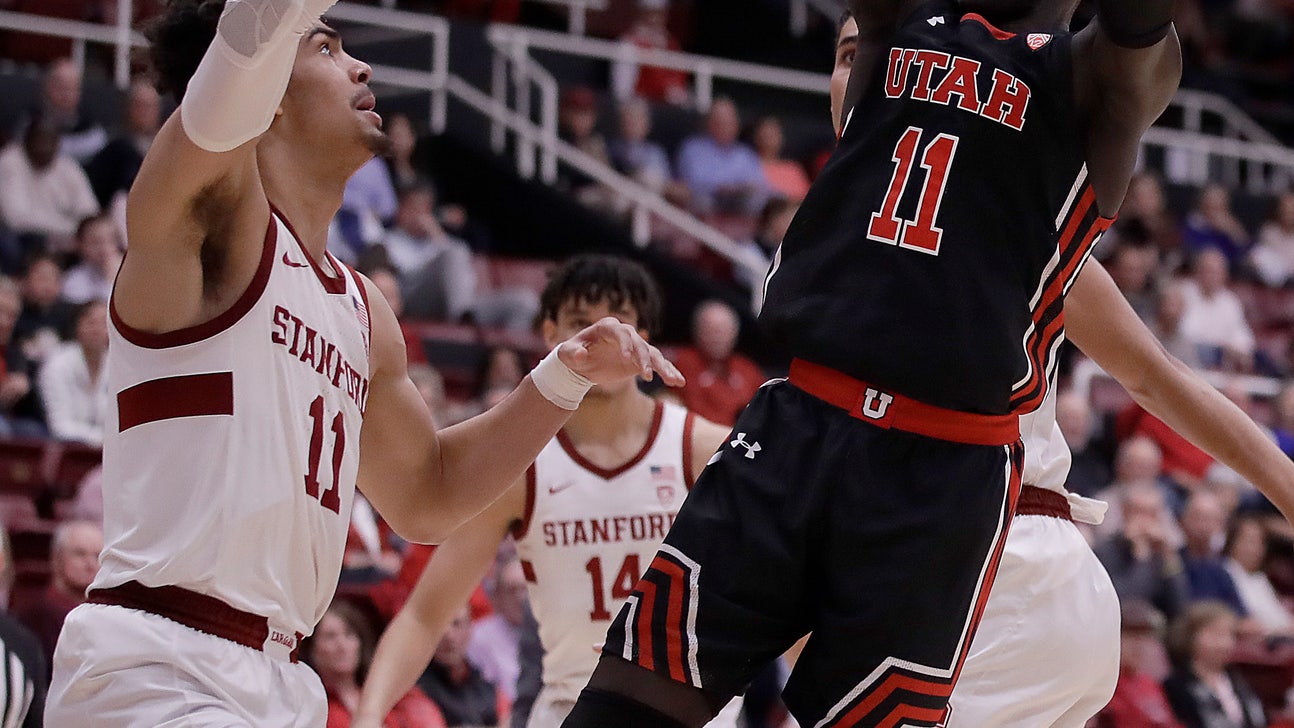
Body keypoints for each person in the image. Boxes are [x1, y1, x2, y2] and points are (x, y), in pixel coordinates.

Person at [44, 1, 681, 725]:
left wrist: (561, 378)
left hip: (279, 676)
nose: (361, 66)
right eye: (326, 48)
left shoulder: (361, 309)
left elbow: (426, 496)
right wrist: (265, 29)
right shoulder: (209, 215)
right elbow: (234, 71)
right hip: (156, 664)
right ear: (269, 97)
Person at [563, 0, 1189, 725]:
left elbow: (1139, 27)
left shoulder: (1098, 71)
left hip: (939, 474)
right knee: (621, 706)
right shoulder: (898, 25)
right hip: (798, 421)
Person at [352, 254, 740, 728]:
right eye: (582, 322)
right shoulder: (520, 463)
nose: (603, 340)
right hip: (570, 707)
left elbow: (787, 588)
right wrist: (368, 715)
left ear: (646, 339)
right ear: (551, 333)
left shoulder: (703, 448)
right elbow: (425, 615)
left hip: (690, 713)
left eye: (620, 324)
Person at [303, 600, 446, 728]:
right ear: (312, 649)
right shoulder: (309, 703)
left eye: (349, 634)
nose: (342, 646)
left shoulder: (390, 693)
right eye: (330, 637)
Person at [1163, 601, 1268, 728]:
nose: (1224, 643)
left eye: (1229, 634)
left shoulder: (1238, 677)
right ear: (1190, 636)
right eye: (1215, 634)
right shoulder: (1177, 685)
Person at [16, 520, 102, 670]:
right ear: (56, 559)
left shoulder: (108, 615)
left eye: (97, 556)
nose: (90, 564)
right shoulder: (36, 616)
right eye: (80, 554)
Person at [670, 300, 765, 426]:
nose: (717, 337)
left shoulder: (747, 369)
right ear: (697, 331)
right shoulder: (682, 364)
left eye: (722, 330)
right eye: (711, 330)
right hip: (699, 438)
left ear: (735, 334)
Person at [1093, 601, 1182, 728]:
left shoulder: (1149, 683)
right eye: (1130, 636)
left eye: (1144, 636)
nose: (1139, 646)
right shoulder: (1101, 686)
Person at [36, 300, 109, 446]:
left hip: (105, 451)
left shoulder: (115, 364)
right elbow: (60, 427)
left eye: (103, 323)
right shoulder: (57, 364)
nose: (97, 329)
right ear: (77, 326)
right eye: (91, 322)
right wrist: (103, 438)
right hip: (62, 448)